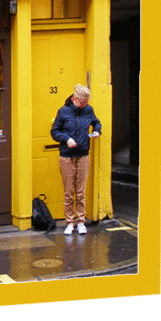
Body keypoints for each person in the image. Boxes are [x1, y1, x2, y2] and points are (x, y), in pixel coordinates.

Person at [50, 84, 102, 235]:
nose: (85, 105)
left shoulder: (88, 110)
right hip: (67, 156)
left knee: (80, 192)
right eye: (83, 102)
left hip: (83, 154)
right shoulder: (63, 111)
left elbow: (96, 122)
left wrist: (97, 131)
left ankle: (81, 222)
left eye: (87, 102)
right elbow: (54, 132)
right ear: (74, 99)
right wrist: (66, 139)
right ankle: (69, 222)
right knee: (68, 193)